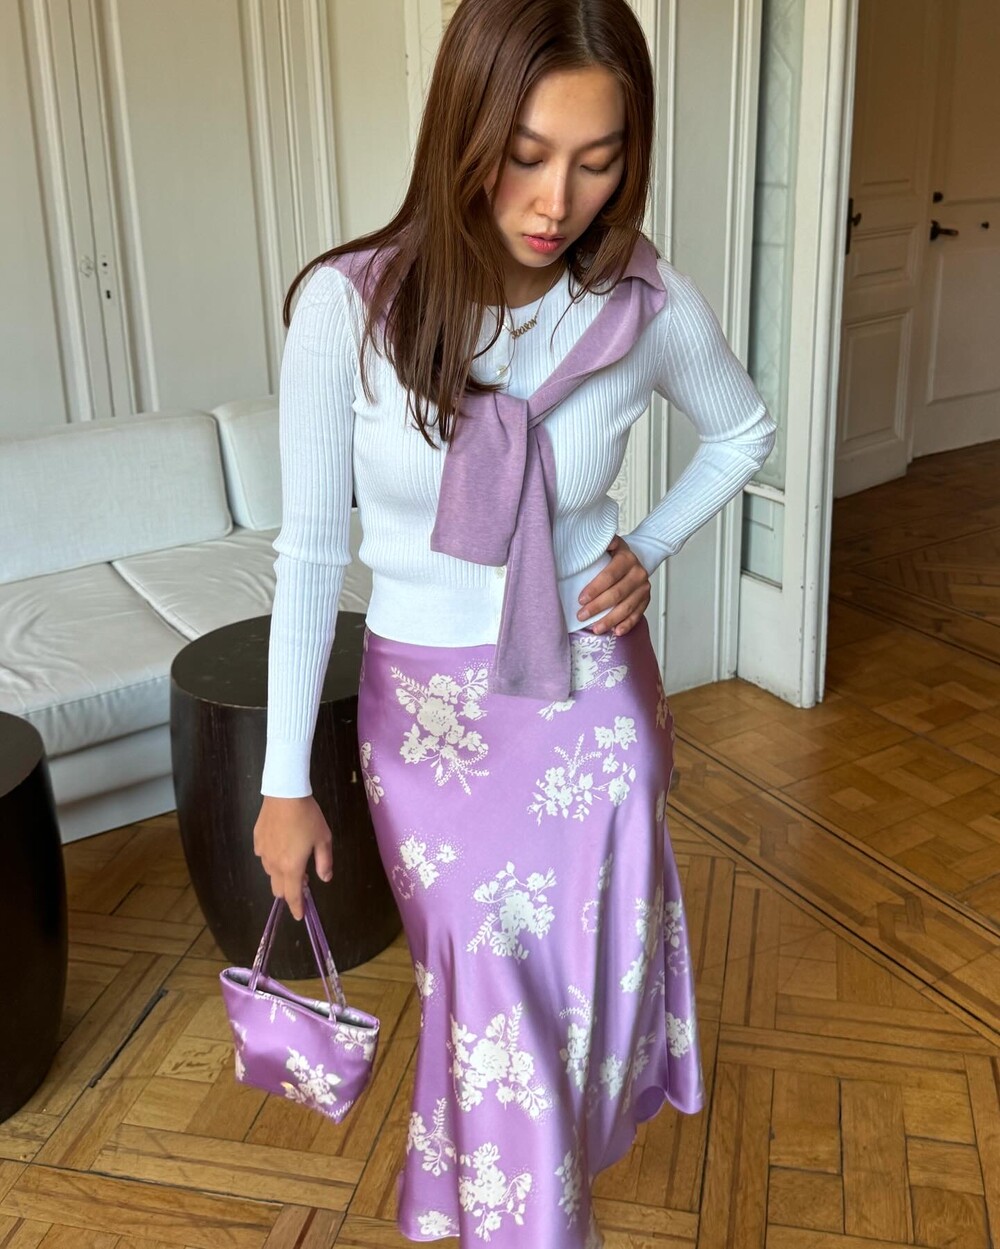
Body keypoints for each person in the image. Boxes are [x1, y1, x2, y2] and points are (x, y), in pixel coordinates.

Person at [253, 0, 774, 1243]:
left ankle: (539, 1206)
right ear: (465, 130)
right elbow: (310, 555)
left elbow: (742, 429)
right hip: (428, 723)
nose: (558, 201)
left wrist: (647, 547)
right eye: (528, 154)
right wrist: (283, 783)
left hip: (591, 701)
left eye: (598, 161)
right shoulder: (349, 307)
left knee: (575, 998)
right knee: (483, 989)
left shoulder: (642, 300)